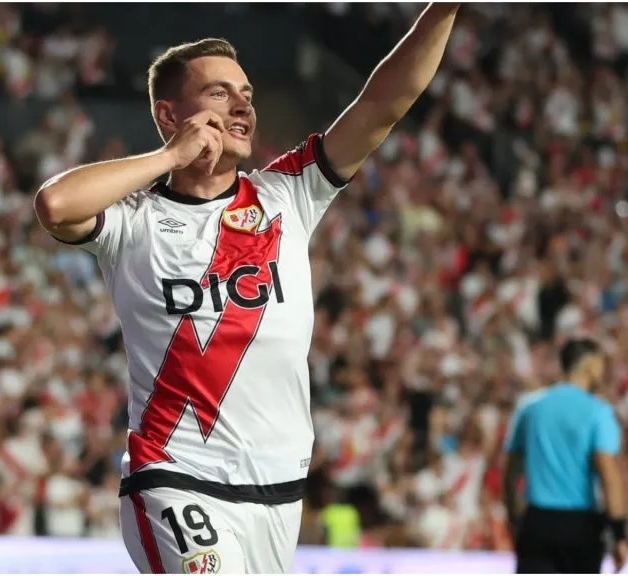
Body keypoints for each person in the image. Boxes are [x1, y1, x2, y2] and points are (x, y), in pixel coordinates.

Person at [34, 4, 459, 573]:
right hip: (175, 476)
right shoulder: (132, 220)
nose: (241, 105)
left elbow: (384, 102)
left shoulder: (286, 193)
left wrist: (445, 6)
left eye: (247, 94)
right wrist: (168, 157)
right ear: (169, 114)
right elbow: (56, 205)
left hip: (277, 489)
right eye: (218, 93)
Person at [502, 338, 628, 574]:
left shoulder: (529, 408)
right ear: (589, 364)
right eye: (601, 364)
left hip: (536, 522)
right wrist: (619, 534)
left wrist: (515, 520)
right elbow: (609, 476)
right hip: (580, 527)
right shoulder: (598, 412)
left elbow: (510, 473)